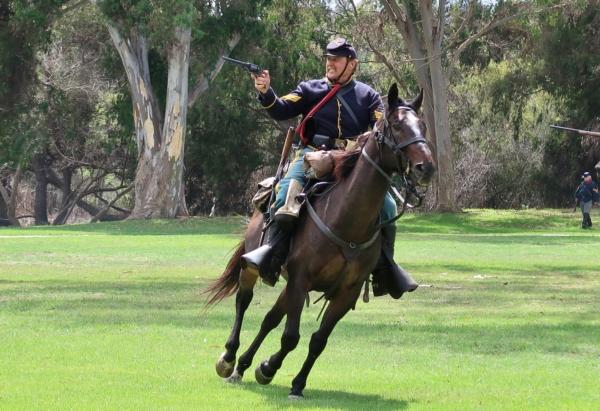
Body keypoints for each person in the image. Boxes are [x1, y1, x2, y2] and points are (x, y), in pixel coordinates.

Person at [240, 38, 418, 299]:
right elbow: (281, 108)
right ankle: (271, 256)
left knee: (389, 207)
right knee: (285, 192)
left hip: (351, 160)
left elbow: (379, 128)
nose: (329, 63)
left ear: (351, 64)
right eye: (328, 58)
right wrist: (266, 91)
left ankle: (384, 269)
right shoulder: (309, 89)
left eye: (336, 59)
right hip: (310, 156)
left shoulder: (368, 96)